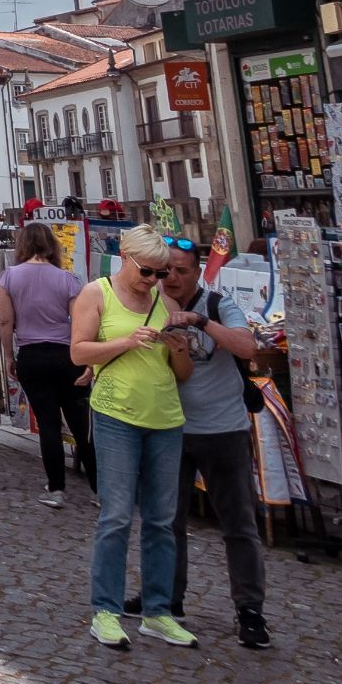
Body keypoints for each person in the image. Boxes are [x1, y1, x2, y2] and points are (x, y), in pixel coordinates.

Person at [72, 225, 197, 651]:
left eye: (161, 274)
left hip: (165, 416)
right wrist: (126, 340)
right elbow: (78, 352)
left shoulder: (164, 300)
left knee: (163, 519)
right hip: (115, 414)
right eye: (147, 271)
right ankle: (105, 610)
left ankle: (158, 612)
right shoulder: (96, 293)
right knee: (117, 516)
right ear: (125, 256)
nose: (154, 281)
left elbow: (181, 374)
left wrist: (179, 348)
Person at [154, 241, 272, 649]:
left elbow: (247, 347)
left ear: (197, 272)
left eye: (181, 271)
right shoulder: (151, 306)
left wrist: (201, 322)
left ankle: (250, 609)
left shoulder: (220, 305)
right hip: (170, 428)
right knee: (168, 522)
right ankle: (168, 601)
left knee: (238, 523)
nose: (172, 278)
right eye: (166, 270)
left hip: (223, 430)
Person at [0, 220, 90, 505]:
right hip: (66, 354)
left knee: (48, 424)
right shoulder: (67, 279)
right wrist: (87, 359)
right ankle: (102, 490)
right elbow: (80, 322)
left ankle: (56, 488)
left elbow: (5, 320)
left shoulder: (9, 277)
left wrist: (9, 356)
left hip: (32, 355)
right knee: (80, 424)